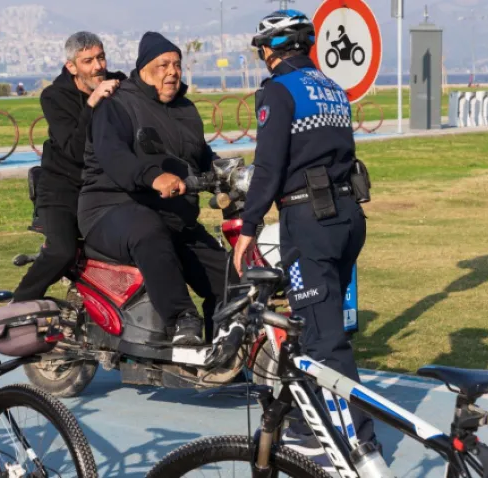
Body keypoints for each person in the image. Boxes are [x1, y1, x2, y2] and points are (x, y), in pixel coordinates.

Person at [232, 9, 381, 471]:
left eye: (261, 48)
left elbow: (269, 167)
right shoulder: (331, 88)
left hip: (309, 220)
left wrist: (248, 229)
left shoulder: (278, 91)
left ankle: (355, 441)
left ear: (270, 49)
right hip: (347, 215)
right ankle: (306, 420)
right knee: (321, 324)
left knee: (322, 337)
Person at [78, 31, 234, 346]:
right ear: (145, 69)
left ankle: (224, 350)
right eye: (163, 65)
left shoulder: (186, 111)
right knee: (147, 229)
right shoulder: (118, 104)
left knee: (230, 279)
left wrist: (230, 173)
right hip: (111, 209)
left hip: (171, 215)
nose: (172, 72)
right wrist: (153, 177)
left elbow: (201, 156)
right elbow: (115, 157)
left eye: (176, 65)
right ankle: (181, 321)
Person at [12, 32, 126, 302]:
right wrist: (93, 102)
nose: (98, 66)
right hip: (61, 188)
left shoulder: (118, 84)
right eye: (88, 61)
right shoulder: (54, 97)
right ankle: (18, 305)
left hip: (103, 187)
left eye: (100, 58)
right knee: (61, 251)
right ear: (72, 67)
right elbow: (75, 150)